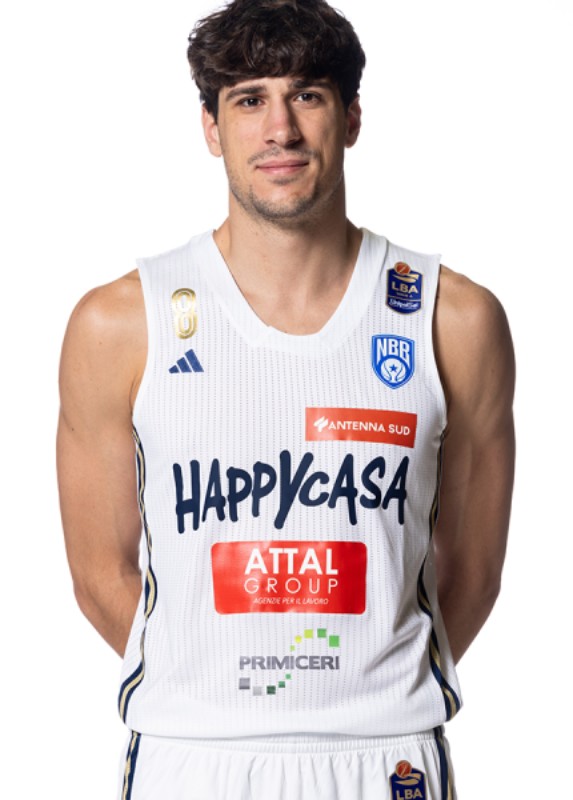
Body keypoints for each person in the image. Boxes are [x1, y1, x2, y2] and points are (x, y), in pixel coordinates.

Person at [57, 1, 515, 798]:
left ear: (351, 117)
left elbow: (472, 573)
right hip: (193, 756)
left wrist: (365, 686)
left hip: (385, 757)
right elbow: (99, 571)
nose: (280, 129)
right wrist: (212, 685)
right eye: (249, 100)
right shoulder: (121, 323)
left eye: (306, 95)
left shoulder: (453, 318)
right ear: (211, 127)